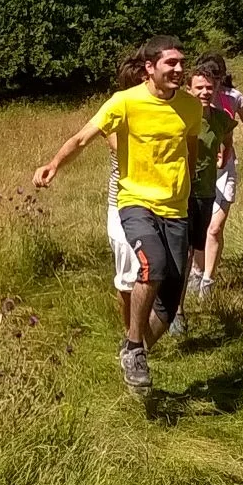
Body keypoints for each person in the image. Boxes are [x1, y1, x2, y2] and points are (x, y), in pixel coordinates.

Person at [34, 36, 202, 395]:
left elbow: (190, 150)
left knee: (170, 302)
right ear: (150, 68)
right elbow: (83, 138)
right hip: (136, 202)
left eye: (181, 62)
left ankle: (131, 351)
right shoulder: (125, 102)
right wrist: (54, 164)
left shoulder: (190, 107)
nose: (178, 69)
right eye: (170, 63)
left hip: (177, 208)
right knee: (152, 266)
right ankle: (136, 348)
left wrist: (190, 193)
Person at [198, 60, 243, 291]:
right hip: (199, 173)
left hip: (225, 171)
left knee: (214, 228)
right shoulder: (191, 102)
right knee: (200, 228)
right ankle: (196, 273)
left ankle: (208, 281)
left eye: (215, 77)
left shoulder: (233, 97)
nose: (210, 86)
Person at [105, 53, 148, 334]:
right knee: (128, 275)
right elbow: (119, 146)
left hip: (156, 203)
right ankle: (130, 335)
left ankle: (142, 332)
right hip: (122, 205)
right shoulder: (115, 114)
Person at [187, 61, 236, 301]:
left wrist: (223, 159)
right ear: (189, 90)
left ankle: (200, 280)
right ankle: (177, 303)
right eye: (199, 88)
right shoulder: (181, 118)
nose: (205, 92)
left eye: (209, 87)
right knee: (182, 244)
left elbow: (228, 138)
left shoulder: (221, 118)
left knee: (200, 240)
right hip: (181, 190)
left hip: (206, 190)